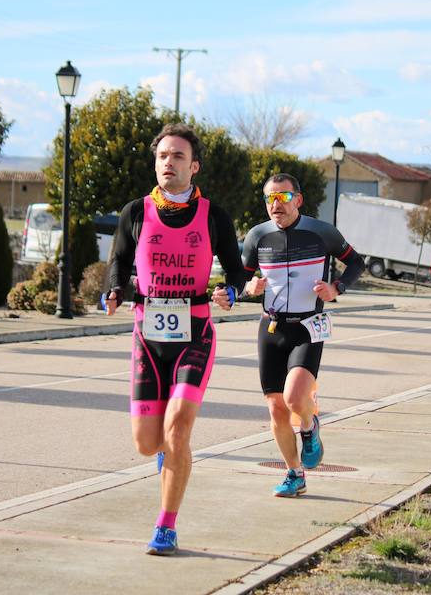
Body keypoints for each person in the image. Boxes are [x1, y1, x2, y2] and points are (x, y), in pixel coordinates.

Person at [105, 123, 246, 556]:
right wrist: (113, 290)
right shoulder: (136, 211)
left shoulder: (214, 216)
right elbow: (118, 261)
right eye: (163, 156)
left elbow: (236, 269)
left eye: (178, 156)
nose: (169, 162)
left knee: (178, 429)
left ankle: (166, 526)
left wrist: (231, 290)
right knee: (148, 443)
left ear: (194, 166)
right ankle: (169, 455)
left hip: (196, 330)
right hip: (148, 335)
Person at [241, 173, 365, 498]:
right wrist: (247, 287)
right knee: (275, 408)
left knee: (295, 399)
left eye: (282, 197)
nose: (275, 204)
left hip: (308, 327)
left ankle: (310, 426)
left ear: (298, 199)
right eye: (270, 198)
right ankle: (294, 474)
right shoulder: (257, 236)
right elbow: (237, 279)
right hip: (270, 327)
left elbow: (356, 263)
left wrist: (335, 288)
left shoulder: (321, 232)